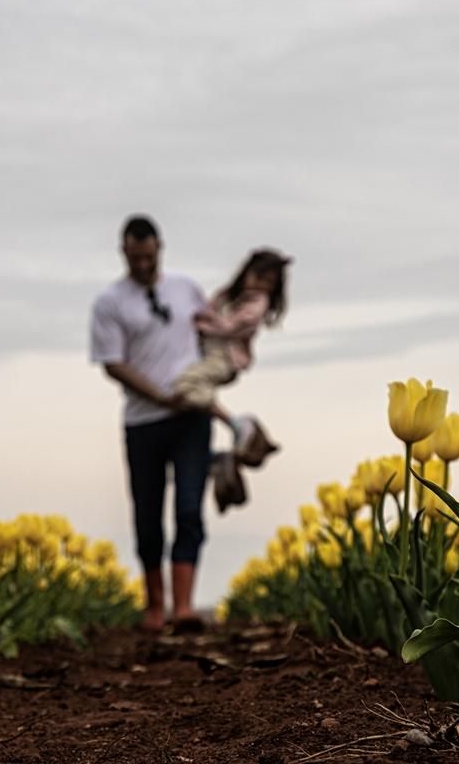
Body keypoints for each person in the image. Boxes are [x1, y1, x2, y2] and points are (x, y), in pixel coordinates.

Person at [90, 214, 211, 632]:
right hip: (144, 422)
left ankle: (183, 608)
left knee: (191, 508)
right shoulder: (110, 302)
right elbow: (112, 363)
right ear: (123, 252)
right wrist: (158, 395)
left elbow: (214, 335)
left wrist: (214, 376)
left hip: (193, 418)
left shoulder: (187, 289)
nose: (141, 263)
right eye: (133, 256)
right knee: (147, 513)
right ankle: (154, 608)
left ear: (159, 247)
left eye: (147, 255)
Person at [171, 249, 290, 512]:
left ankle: (238, 425)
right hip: (209, 351)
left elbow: (226, 327)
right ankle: (215, 459)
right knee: (185, 397)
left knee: (183, 386)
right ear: (247, 272)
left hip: (224, 358)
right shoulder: (229, 295)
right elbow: (209, 308)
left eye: (270, 284)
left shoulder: (256, 305)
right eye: (260, 277)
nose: (262, 286)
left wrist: (201, 322)